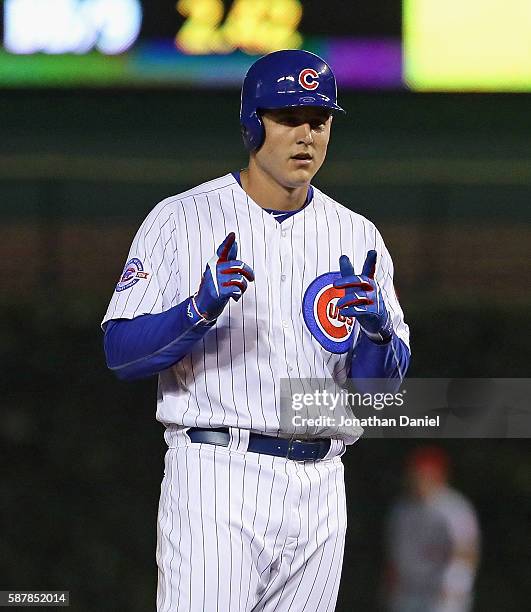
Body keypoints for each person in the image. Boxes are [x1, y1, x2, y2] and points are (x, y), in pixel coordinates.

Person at [102, 49, 410, 612]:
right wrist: (196, 310)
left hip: (321, 484)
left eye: (319, 121)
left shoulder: (358, 235)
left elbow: (376, 397)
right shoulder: (182, 218)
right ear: (252, 124)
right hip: (218, 473)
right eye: (288, 118)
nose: (306, 135)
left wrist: (377, 335)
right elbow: (120, 353)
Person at [385, 447, 480, 612]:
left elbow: (466, 550)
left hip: (441, 593)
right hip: (408, 591)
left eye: (424, 476)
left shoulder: (455, 508)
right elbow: (397, 552)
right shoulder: (402, 509)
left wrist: (456, 584)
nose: (419, 482)